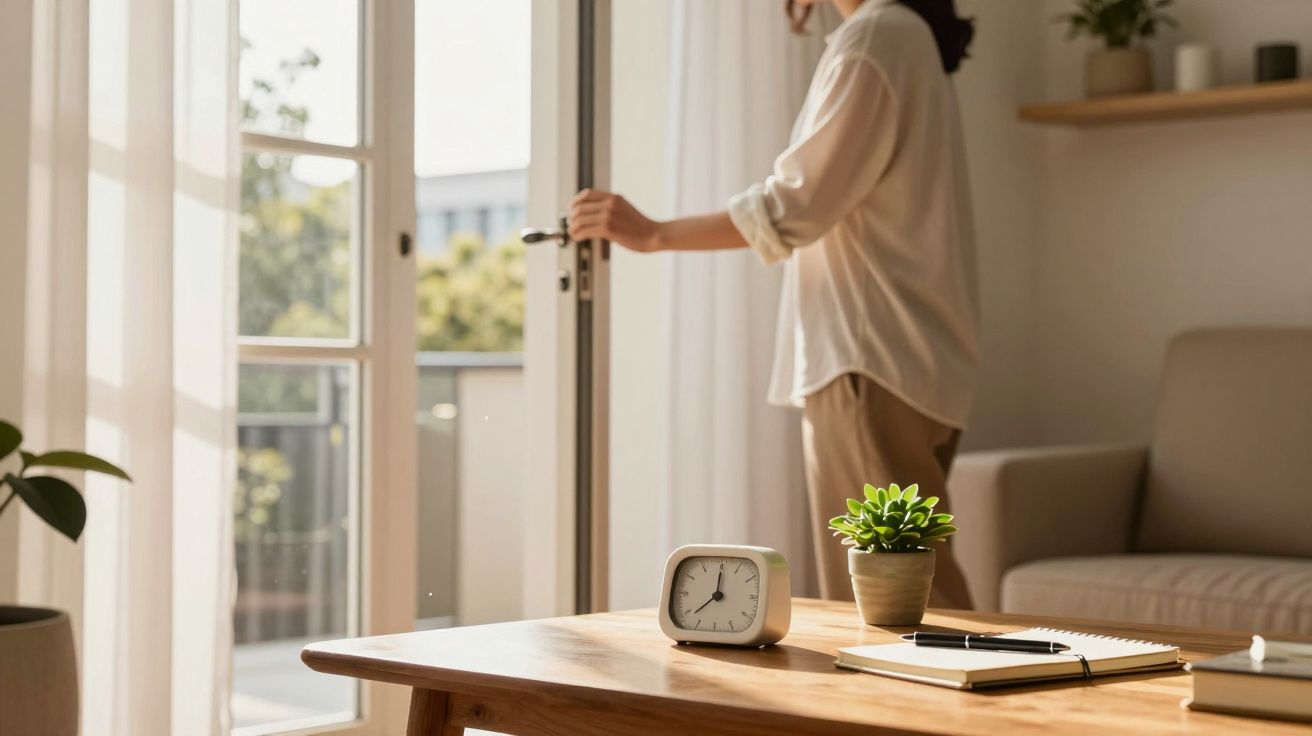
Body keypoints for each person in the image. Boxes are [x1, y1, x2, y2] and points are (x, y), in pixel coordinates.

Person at [568, 0, 978, 609]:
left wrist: (653, 234)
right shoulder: (901, 37)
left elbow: (795, 206)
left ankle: (977, 706)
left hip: (869, 362)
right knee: (912, 596)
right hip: (909, 360)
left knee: (896, 609)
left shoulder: (876, 36)